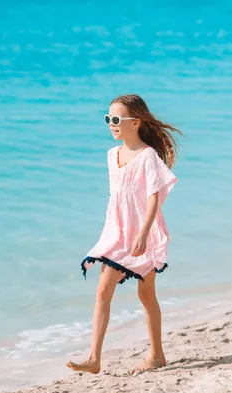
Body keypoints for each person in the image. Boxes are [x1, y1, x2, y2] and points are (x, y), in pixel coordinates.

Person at [66, 94, 183, 375]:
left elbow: (154, 198)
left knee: (146, 295)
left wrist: (143, 233)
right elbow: (118, 199)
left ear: (136, 122)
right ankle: (94, 358)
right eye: (108, 119)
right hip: (117, 234)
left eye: (116, 119)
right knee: (103, 290)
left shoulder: (148, 157)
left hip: (143, 234)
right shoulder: (112, 155)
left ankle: (156, 354)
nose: (111, 124)